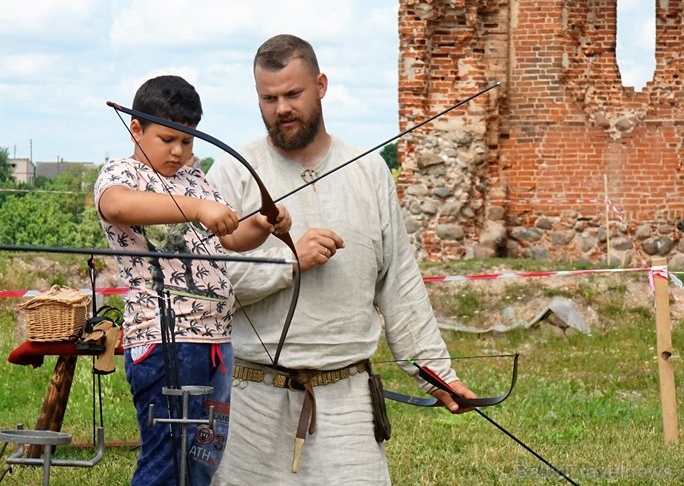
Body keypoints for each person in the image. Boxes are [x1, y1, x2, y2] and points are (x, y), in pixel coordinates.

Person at [206, 34, 476, 486]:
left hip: (347, 396)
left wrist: (437, 376)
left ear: (321, 85)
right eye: (268, 98)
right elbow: (210, 286)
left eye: (293, 94)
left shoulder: (368, 172)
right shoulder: (234, 173)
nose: (282, 109)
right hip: (253, 398)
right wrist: (290, 262)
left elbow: (400, 284)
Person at [93, 74, 291, 486]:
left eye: (187, 141)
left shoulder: (194, 178)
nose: (179, 151)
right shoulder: (121, 174)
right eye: (167, 139)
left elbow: (232, 237)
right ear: (136, 128)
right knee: (167, 461)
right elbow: (116, 205)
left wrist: (262, 223)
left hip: (215, 343)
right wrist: (197, 209)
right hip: (166, 342)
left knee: (202, 458)